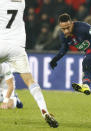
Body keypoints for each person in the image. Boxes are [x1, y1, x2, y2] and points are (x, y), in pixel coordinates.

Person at [0, 0, 58, 128]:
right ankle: (44, 111)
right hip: (17, 47)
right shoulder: (22, 3)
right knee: (30, 81)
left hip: (1, 44)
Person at [50, 13, 91, 123]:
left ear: (71, 23)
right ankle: (85, 86)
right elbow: (64, 49)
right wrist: (55, 59)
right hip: (89, 52)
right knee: (86, 63)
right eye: (63, 29)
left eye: (67, 28)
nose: (65, 31)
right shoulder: (63, 35)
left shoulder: (82, 27)